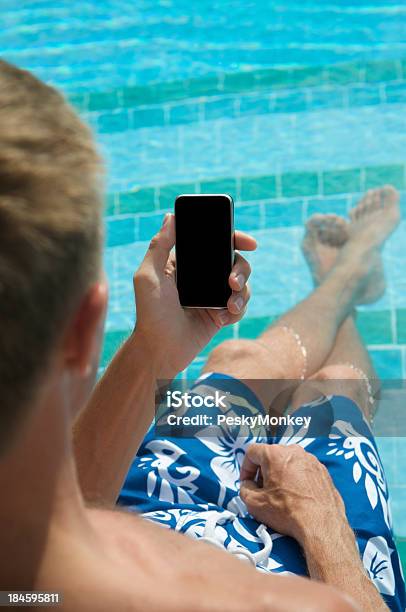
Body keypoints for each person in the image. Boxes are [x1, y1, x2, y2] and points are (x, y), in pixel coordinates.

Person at [0, 58, 394, 612]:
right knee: (331, 392)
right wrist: (320, 516)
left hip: (126, 497)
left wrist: (153, 351)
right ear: (84, 327)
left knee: (240, 354)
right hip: (317, 560)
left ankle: (345, 281)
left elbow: (72, 521)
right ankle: (348, 279)